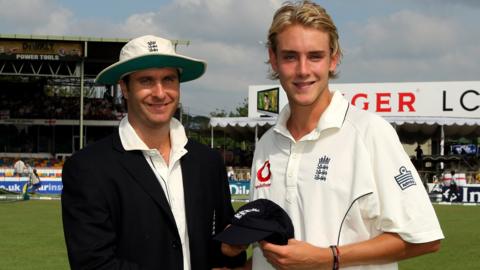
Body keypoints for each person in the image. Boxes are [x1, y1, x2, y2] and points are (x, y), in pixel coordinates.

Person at [220, 1, 443, 269]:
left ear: (333, 58)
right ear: (273, 58)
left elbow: (424, 238)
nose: (303, 70)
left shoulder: (370, 132)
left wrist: (328, 258)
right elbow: (277, 247)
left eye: (315, 56)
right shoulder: (268, 142)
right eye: (290, 56)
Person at [61, 35, 245, 270]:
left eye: (168, 79)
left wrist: (230, 249)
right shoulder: (88, 168)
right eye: (146, 81)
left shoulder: (207, 162)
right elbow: (93, 264)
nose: (160, 93)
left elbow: (222, 253)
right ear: (125, 88)